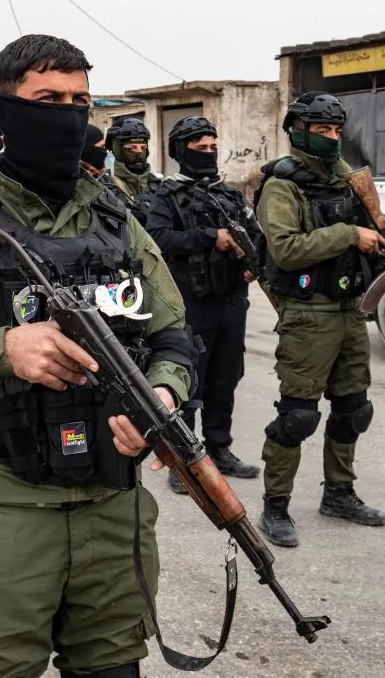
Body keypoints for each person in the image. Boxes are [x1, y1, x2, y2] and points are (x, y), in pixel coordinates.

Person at [0, 33, 193, 678]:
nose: (69, 114)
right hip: (5, 511)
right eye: (48, 98)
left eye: (81, 100)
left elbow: (174, 337)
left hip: (114, 505)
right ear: (5, 111)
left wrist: (162, 396)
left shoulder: (119, 223)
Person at [255, 92, 385, 548]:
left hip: (351, 311)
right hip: (308, 314)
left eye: (337, 131)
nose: (332, 139)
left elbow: (371, 236)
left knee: (354, 410)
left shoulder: (348, 181)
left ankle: (340, 492)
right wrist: (347, 234)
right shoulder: (282, 185)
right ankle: (275, 505)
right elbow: (286, 250)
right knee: (297, 416)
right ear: (298, 130)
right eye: (322, 131)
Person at [146, 116, 262, 494]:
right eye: (200, 147)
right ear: (182, 151)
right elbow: (158, 238)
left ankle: (219, 448)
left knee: (226, 378)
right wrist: (212, 237)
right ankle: (183, 459)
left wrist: (250, 263)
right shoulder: (167, 195)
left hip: (231, 301)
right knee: (190, 380)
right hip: (192, 304)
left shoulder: (227, 194)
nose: (208, 153)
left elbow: (255, 236)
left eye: (213, 147)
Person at [104, 117, 160, 225]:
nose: (139, 153)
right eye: (131, 148)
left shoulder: (157, 185)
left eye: (143, 147)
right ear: (116, 149)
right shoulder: (104, 186)